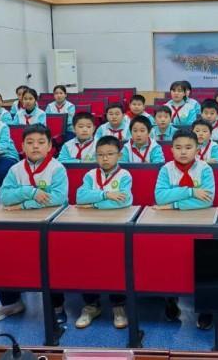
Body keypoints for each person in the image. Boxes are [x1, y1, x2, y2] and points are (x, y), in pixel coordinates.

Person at [0, 124, 68, 324]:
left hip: (50, 224)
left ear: (50, 146)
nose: (35, 146)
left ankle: (57, 306)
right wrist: (31, 192)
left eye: (41, 142)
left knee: (52, 259)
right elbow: (5, 197)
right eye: (30, 143)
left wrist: (22, 204)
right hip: (18, 224)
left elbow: (57, 198)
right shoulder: (15, 169)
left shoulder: (57, 169)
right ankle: (12, 302)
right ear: (22, 146)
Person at [154, 129, 215, 330]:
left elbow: (206, 201)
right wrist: (191, 192)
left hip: (201, 222)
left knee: (203, 263)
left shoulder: (205, 169)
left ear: (197, 149)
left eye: (188, 147)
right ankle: (170, 299)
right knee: (170, 260)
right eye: (178, 148)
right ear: (171, 150)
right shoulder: (166, 169)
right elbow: (160, 197)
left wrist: (174, 203)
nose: (183, 152)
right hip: (170, 224)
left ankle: (206, 308)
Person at [74, 135, 132, 330]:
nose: (105, 158)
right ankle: (91, 305)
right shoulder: (90, 175)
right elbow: (80, 197)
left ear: (119, 155)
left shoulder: (125, 175)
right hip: (89, 227)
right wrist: (107, 195)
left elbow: (123, 201)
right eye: (100, 155)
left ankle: (118, 305)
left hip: (116, 226)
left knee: (116, 264)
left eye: (109, 154)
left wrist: (93, 204)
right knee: (87, 263)